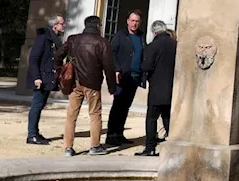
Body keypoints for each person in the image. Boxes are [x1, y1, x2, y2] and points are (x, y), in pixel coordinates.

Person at [55, 14, 117, 156]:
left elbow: (58, 55)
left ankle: (68, 147)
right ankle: (95, 146)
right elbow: (109, 66)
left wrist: (59, 71)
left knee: (71, 115)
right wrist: (112, 86)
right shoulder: (102, 42)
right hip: (93, 83)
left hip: (75, 82)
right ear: (97, 26)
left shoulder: (73, 39)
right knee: (95, 115)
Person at [136, 20, 176, 156]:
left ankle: (150, 148)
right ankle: (173, 148)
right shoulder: (176, 45)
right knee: (168, 118)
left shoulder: (152, 46)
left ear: (154, 32)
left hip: (157, 88)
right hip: (172, 88)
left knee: (152, 118)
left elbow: (146, 66)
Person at [106, 11, 145, 147]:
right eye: (132, 20)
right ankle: (111, 135)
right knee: (117, 105)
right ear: (128, 21)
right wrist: (117, 69)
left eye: (137, 21)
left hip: (134, 77)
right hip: (122, 76)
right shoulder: (120, 35)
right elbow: (112, 53)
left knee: (126, 106)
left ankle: (119, 133)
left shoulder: (141, 36)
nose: (134, 23)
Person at [26, 15, 65, 145]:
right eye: (61, 23)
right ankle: (31, 135)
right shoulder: (43, 38)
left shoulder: (54, 39)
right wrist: (37, 77)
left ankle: (35, 132)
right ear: (55, 26)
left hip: (48, 78)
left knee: (40, 105)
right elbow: (33, 59)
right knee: (36, 105)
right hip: (41, 78)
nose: (63, 26)